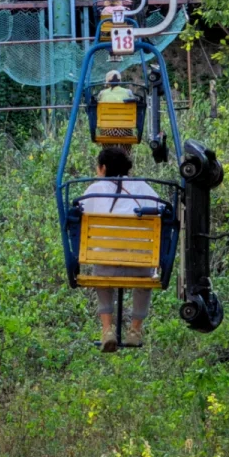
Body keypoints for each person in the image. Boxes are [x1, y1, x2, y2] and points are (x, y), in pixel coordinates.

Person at [79, 145, 160, 350]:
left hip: (106, 265)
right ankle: (135, 330)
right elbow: (161, 210)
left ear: (103, 168)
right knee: (145, 278)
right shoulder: (143, 188)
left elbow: (78, 215)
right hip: (139, 266)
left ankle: (107, 329)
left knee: (102, 275)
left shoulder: (93, 191)